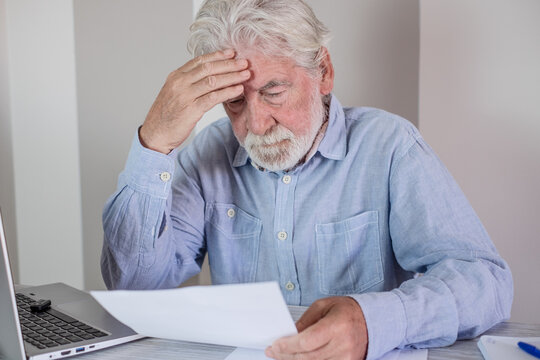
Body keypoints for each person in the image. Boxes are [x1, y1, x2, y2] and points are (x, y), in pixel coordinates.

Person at [101, 0, 513, 359]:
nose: (257, 125)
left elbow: (485, 282)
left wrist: (374, 322)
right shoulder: (210, 153)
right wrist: (154, 142)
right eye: (235, 102)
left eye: (274, 91)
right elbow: (134, 285)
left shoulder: (389, 146)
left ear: (324, 71)